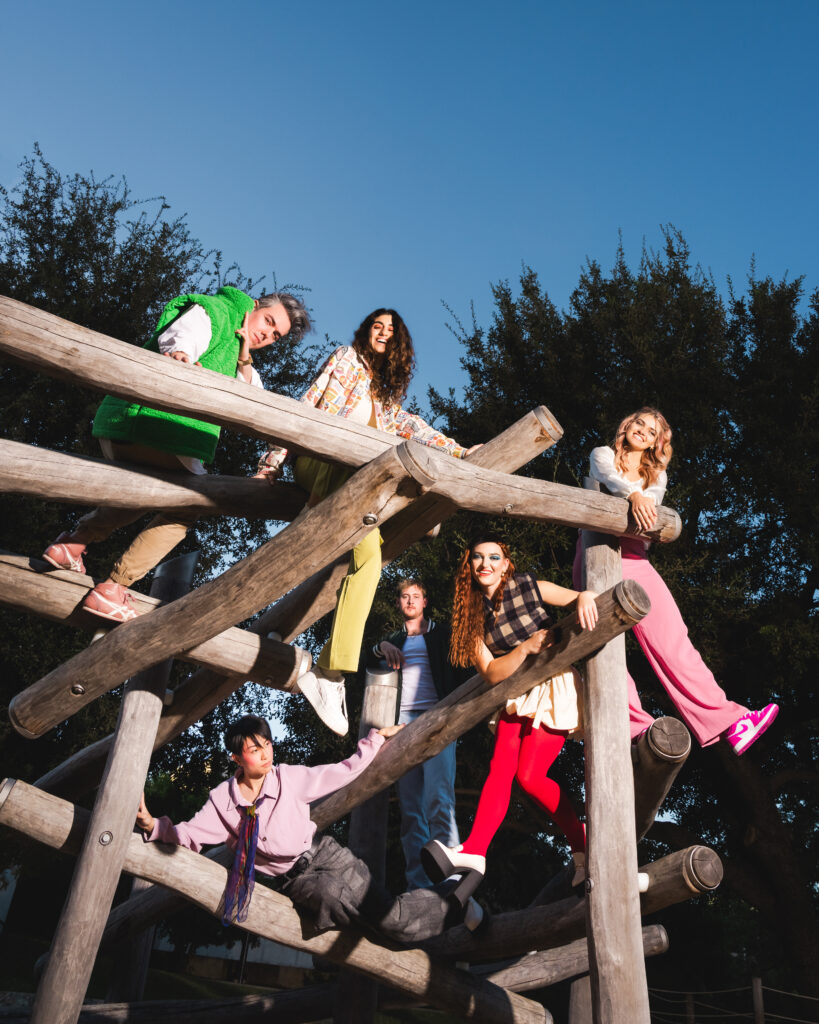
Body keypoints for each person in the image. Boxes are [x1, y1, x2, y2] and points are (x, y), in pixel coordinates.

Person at [256, 309, 479, 735]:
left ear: (399, 346)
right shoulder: (345, 359)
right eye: (377, 326)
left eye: (391, 330)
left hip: (354, 487)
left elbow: (414, 427)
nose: (383, 333)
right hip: (319, 466)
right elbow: (308, 402)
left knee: (370, 563)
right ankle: (328, 672)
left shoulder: (387, 399)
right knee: (367, 471)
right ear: (365, 333)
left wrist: (460, 450)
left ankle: (330, 670)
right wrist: (271, 464)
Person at [42, 286, 311, 622]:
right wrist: (182, 356)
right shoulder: (218, 312)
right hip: (155, 427)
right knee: (191, 505)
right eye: (268, 321)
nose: (266, 334)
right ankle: (113, 587)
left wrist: (244, 355)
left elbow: (251, 400)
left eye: (275, 335)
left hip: (129, 429)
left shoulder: (238, 352)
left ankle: (71, 544)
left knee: (145, 494)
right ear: (254, 306)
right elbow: (184, 334)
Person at [421, 535, 639, 902]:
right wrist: (523, 648)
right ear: (469, 568)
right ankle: (475, 851)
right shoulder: (470, 617)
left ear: (506, 564)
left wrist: (585, 596)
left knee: (529, 775)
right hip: (515, 694)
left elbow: (575, 598)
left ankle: (582, 841)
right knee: (500, 769)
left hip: (554, 685)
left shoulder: (529, 585)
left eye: (494, 557)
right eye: (477, 558)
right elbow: (491, 672)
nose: (485, 563)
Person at [136, 715, 483, 941]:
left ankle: (456, 900)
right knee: (368, 920)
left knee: (391, 920)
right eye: (255, 749)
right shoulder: (223, 803)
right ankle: (455, 903)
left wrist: (376, 738)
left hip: (330, 856)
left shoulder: (289, 777)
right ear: (236, 758)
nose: (265, 753)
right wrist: (153, 824)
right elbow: (188, 836)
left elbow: (343, 770)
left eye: (267, 744)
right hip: (300, 881)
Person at [580, 407, 779, 756]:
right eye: (639, 423)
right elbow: (609, 477)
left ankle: (731, 722)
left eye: (652, 430)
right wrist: (633, 496)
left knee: (673, 640)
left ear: (658, 442)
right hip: (595, 554)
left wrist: (642, 497)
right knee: (606, 648)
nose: (643, 430)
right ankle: (634, 728)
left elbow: (652, 509)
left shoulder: (656, 475)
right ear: (627, 426)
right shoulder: (603, 454)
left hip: (635, 559)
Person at [369, 577, 468, 888]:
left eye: (416, 596)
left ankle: (451, 882)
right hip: (401, 729)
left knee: (440, 800)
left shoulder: (443, 635)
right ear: (399, 603)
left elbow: (465, 669)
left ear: (425, 602)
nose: (410, 601)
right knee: (412, 813)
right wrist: (380, 645)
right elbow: (363, 661)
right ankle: (418, 887)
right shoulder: (394, 640)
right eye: (404, 597)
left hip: (438, 721)